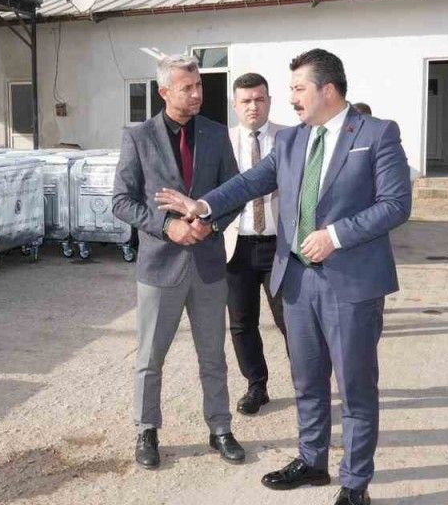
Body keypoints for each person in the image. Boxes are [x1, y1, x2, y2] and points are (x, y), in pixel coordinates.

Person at [156, 48, 411, 505]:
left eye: (298, 88)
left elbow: (395, 204)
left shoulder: (376, 134)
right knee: (307, 381)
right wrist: (204, 205)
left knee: (354, 388)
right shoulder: (292, 140)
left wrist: (336, 235)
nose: (291, 97)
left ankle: (355, 483)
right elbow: (250, 181)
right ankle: (312, 461)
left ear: (327, 89)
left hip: (351, 285)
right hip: (297, 281)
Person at [111, 53, 246, 470]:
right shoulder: (139, 137)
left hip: (208, 265)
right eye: (187, 87)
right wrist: (166, 226)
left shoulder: (216, 134)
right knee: (150, 358)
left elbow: (234, 193)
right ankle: (146, 430)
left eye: (199, 85)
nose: (197, 93)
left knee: (213, 356)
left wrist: (211, 222)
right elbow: (121, 201)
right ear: (164, 91)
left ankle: (220, 428)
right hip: (159, 267)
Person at [225, 72, 289, 415]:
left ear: (269, 101)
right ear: (235, 105)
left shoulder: (290, 139)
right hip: (236, 247)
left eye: (259, 99)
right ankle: (256, 386)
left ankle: (308, 385)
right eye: (246, 100)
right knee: (241, 322)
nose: (253, 106)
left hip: (280, 247)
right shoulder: (223, 142)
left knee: (291, 321)